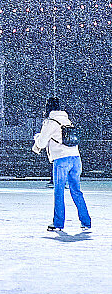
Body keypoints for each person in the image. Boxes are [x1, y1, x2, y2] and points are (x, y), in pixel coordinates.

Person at [33, 98, 91, 233]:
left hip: (61, 159)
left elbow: (41, 143)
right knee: (76, 191)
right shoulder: (66, 120)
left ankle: (58, 222)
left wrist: (37, 137)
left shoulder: (50, 122)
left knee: (59, 191)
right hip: (76, 158)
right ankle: (86, 221)